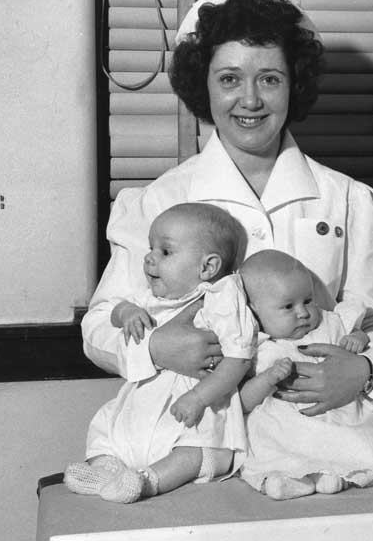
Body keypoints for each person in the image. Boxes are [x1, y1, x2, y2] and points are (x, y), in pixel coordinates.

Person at [82, 0, 373, 423]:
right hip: (196, 431)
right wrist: (154, 347)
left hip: (322, 428)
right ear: (203, 84)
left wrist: (364, 368)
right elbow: (100, 321)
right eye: (229, 79)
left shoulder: (350, 200)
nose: (250, 100)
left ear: (295, 85)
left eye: (270, 79)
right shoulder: (159, 200)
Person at [64, 203, 254, 503]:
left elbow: (239, 359)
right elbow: (112, 311)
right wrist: (126, 312)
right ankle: (105, 467)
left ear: (207, 267)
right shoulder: (152, 296)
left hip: (194, 400)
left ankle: (147, 481)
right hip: (143, 396)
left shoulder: (221, 299)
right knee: (109, 427)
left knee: (198, 447)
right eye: (151, 248)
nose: (150, 257)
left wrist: (199, 397)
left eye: (165, 252)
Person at [237, 250, 373, 500]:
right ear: (254, 313)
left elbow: (370, 327)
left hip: (338, 411)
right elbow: (244, 401)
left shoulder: (329, 322)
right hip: (284, 424)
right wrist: (267, 378)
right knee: (268, 449)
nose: (303, 313)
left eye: (307, 300)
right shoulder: (255, 348)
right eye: (288, 307)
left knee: (361, 444)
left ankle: (338, 475)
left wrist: (357, 339)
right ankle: (287, 480)